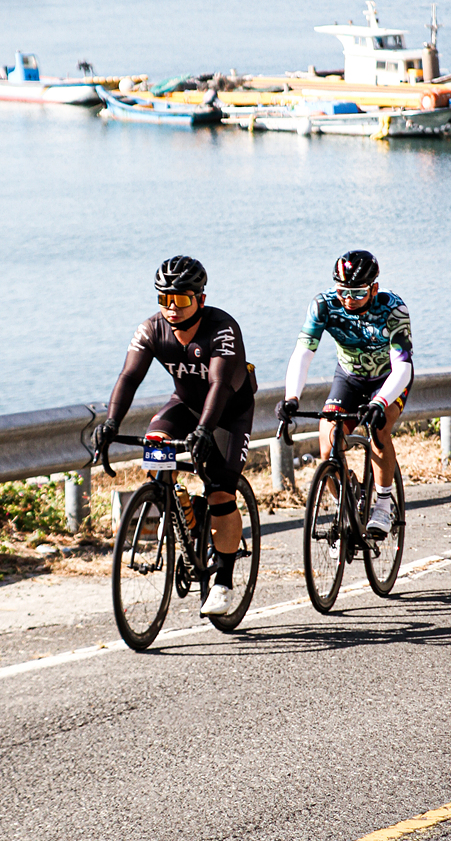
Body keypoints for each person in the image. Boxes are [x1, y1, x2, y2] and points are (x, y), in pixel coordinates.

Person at [94, 256, 256, 616]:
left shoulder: (222, 328)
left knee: (220, 492)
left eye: (180, 299)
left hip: (228, 411)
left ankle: (223, 582)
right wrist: (110, 423)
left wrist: (204, 431)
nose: (171, 308)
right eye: (164, 299)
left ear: (200, 299)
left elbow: (219, 384)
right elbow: (128, 378)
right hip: (185, 404)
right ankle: (183, 508)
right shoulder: (151, 329)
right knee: (155, 451)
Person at [276, 250, 413, 540]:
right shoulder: (323, 305)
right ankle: (347, 507)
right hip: (349, 378)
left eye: (358, 293)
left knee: (379, 428)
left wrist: (380, 402)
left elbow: (403, 366)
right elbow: (303, 353)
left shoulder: (393, 308)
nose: (349, 299)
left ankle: (383, 505)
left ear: (374, 288)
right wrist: (292, 397)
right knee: (328, 446)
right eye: (342, 292)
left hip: (387, 379)